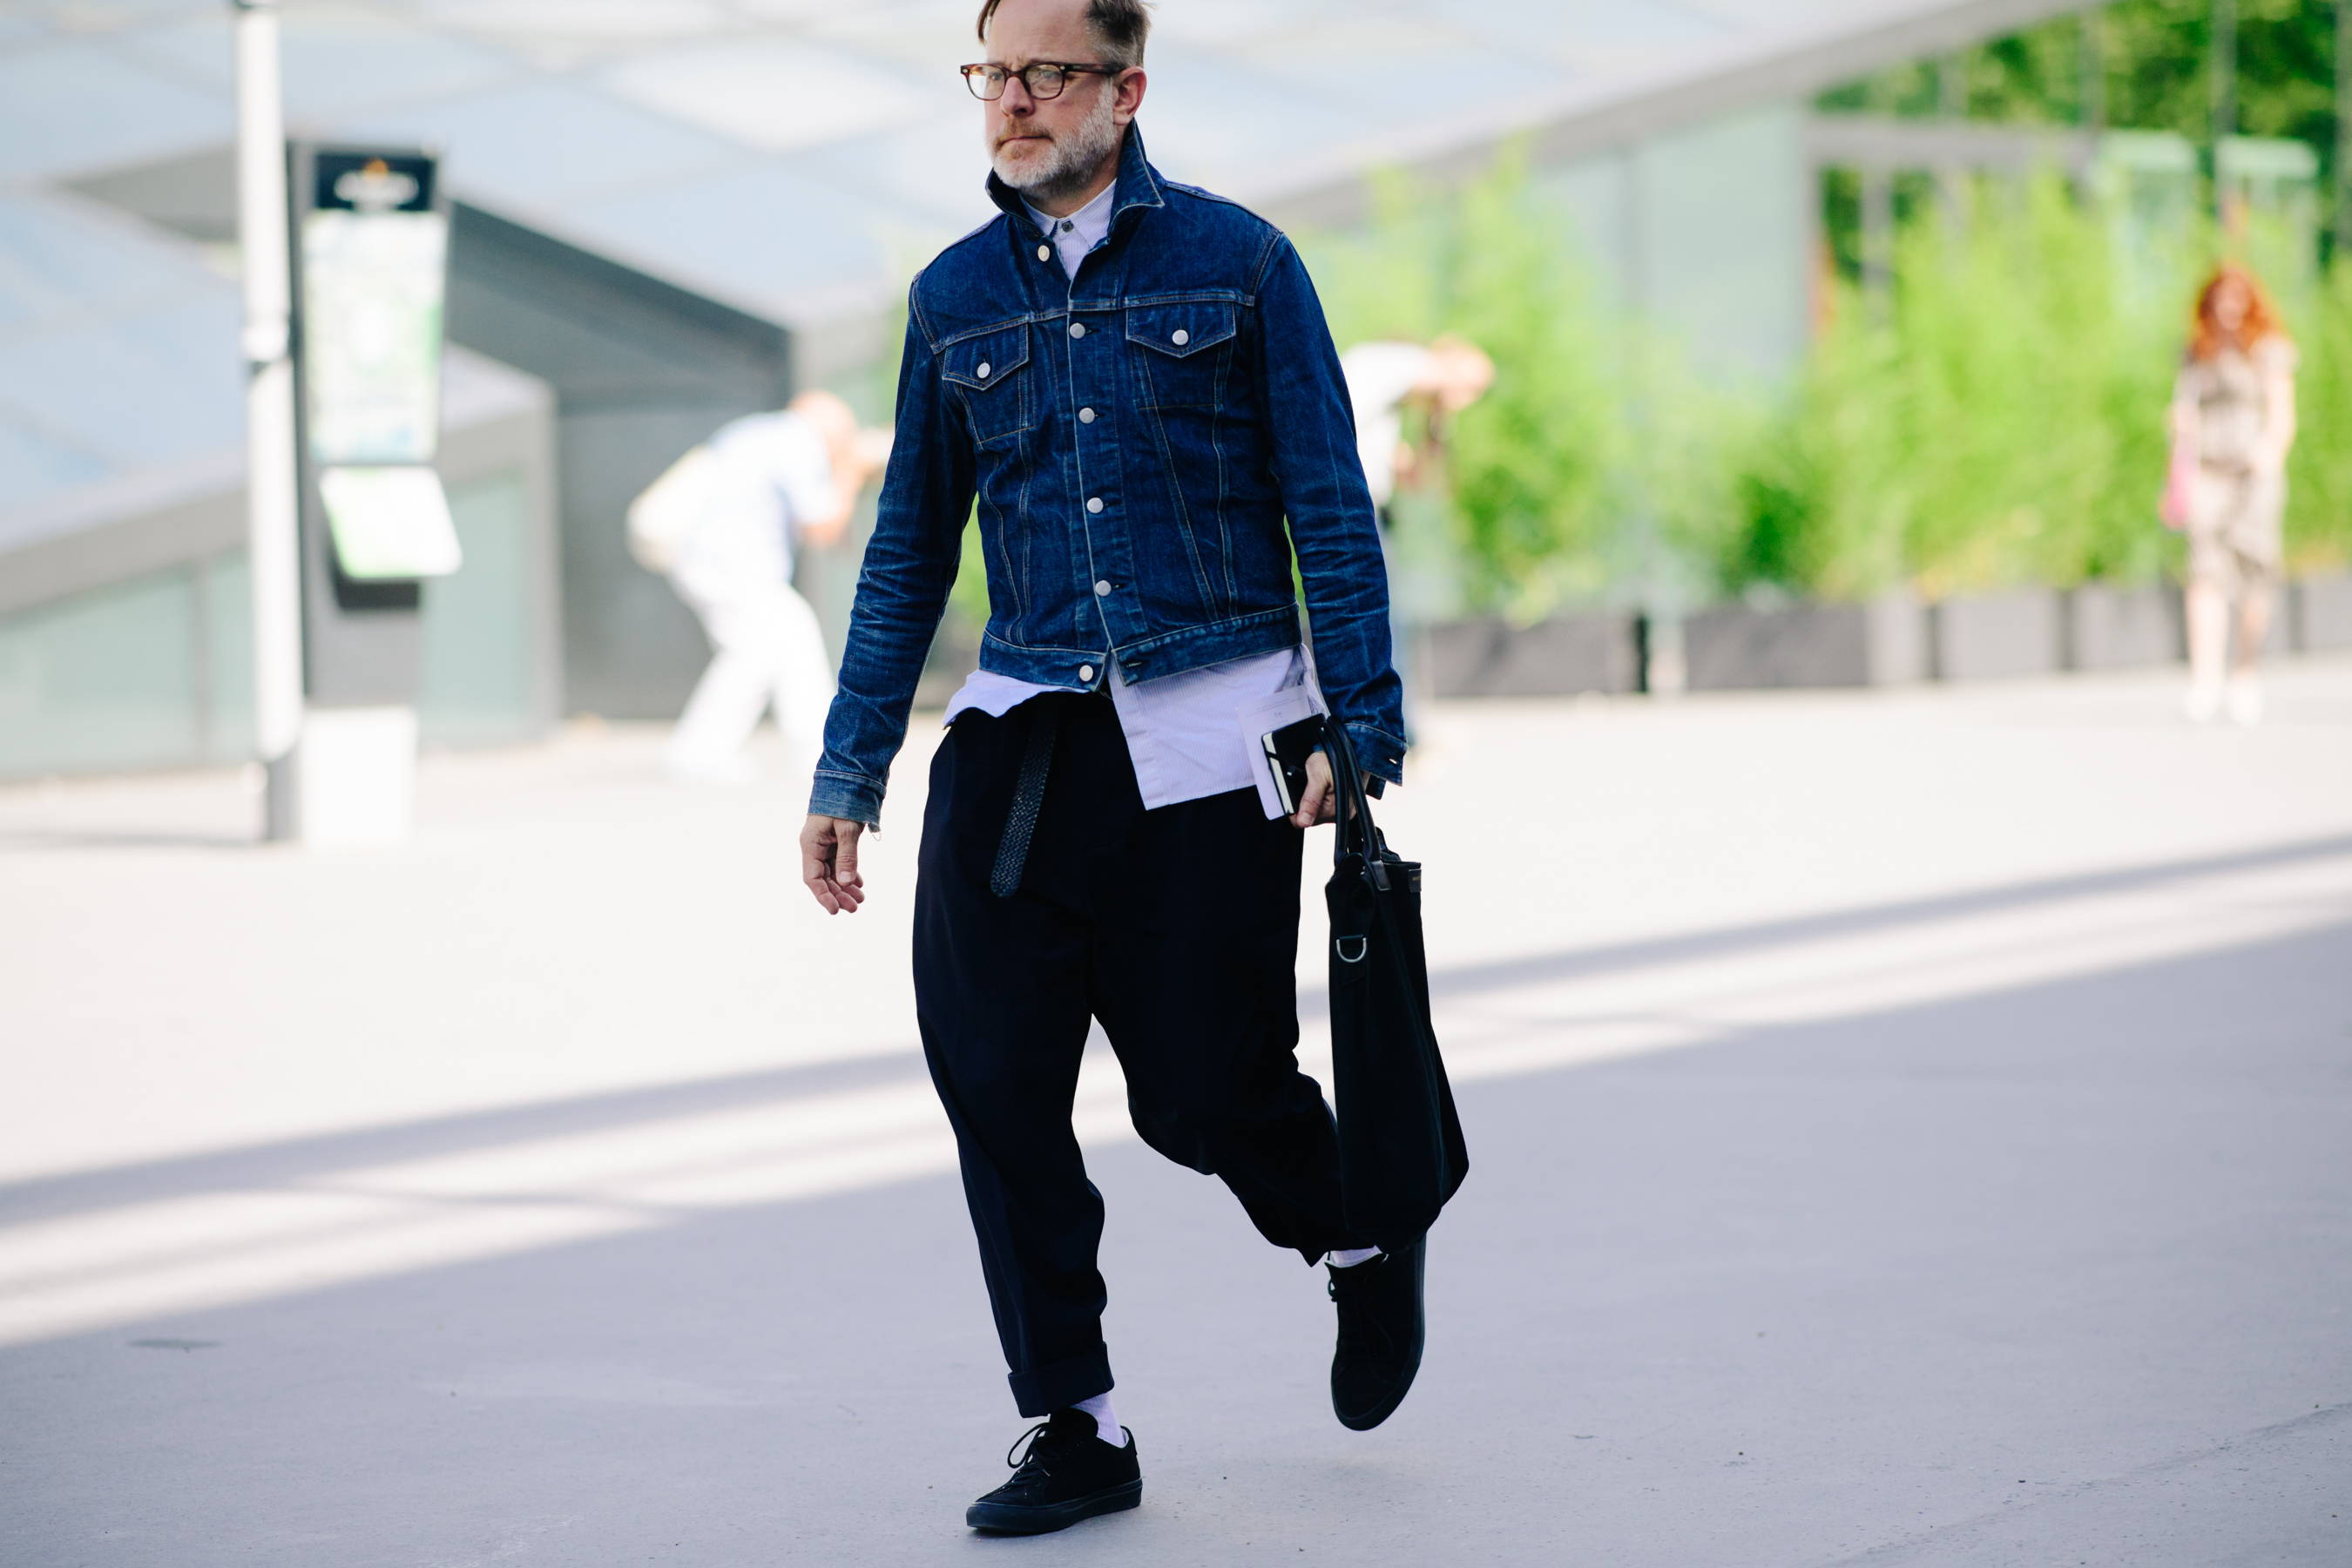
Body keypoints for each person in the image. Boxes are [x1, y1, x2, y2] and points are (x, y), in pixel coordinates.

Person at [796, 0, 1417, 1537]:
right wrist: (849, 765)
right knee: (993, 1081)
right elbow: (905, 557)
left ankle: (1355, 1234)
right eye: (991, 73)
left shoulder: (1243, 264)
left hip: (1212, 744)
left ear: (1125, 91)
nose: (1011, 100)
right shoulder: (951, 301)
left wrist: (1364, 719)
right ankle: (1076, 1423)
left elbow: (1326, 501)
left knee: (1205, 1098)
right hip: (1022, 745)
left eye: (1045, 73)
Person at [638, 391, 886, 784]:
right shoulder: (799, 444)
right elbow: (823, 528)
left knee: (771, 645)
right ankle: (709, 753)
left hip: (706, 559)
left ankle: (811, 751)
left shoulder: (755, 432)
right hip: (732, 564)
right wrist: (851, 471)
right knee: (774, 641)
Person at [2168, 263, 2297, 727]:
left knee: (2254, 573)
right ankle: (2205, 679)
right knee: (2205, 573)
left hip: (2253, 475)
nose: (2230, 308)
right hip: (2208, 473)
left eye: (2238, 297)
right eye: (2222, 297)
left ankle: (2245, 671)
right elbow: (2183, 411)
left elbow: (2282, 414)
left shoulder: (2268, 350)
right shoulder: (2196, 351)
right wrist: (2178, 466)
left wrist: (2267, 454)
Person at [1341, 335, 1495, 713]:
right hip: (1357, 510)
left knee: (1378, 619)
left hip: (1366, 507)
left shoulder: (1392, 388)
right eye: (1470, 387)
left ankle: (1398, 722)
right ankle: (1395, 724)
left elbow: (1413, 476)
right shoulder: (1403, 368)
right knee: (1378, 620)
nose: (1467, 400)